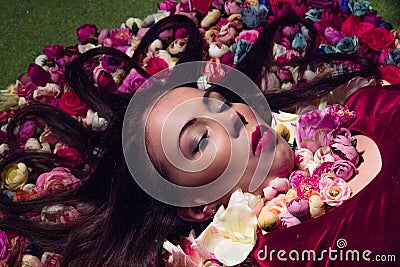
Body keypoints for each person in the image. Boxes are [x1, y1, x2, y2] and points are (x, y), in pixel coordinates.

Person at [0, 14, 398, 267]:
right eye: (200, 139)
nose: (232, 118)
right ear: (197, 206)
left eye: (220, 104)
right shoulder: (280, 259)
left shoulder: (368, 106)